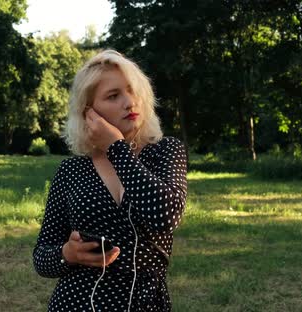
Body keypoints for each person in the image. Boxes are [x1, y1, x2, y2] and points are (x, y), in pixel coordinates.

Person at [33, 49, 188, 312]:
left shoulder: (165, 151)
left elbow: (166, 216)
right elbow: (41, 258)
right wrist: (67, 254)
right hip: (76, 303)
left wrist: (117, 148)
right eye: (113, 96)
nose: (129, 102)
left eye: (132, 90)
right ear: (89, 113)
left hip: (146, 304)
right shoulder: (71, 170)